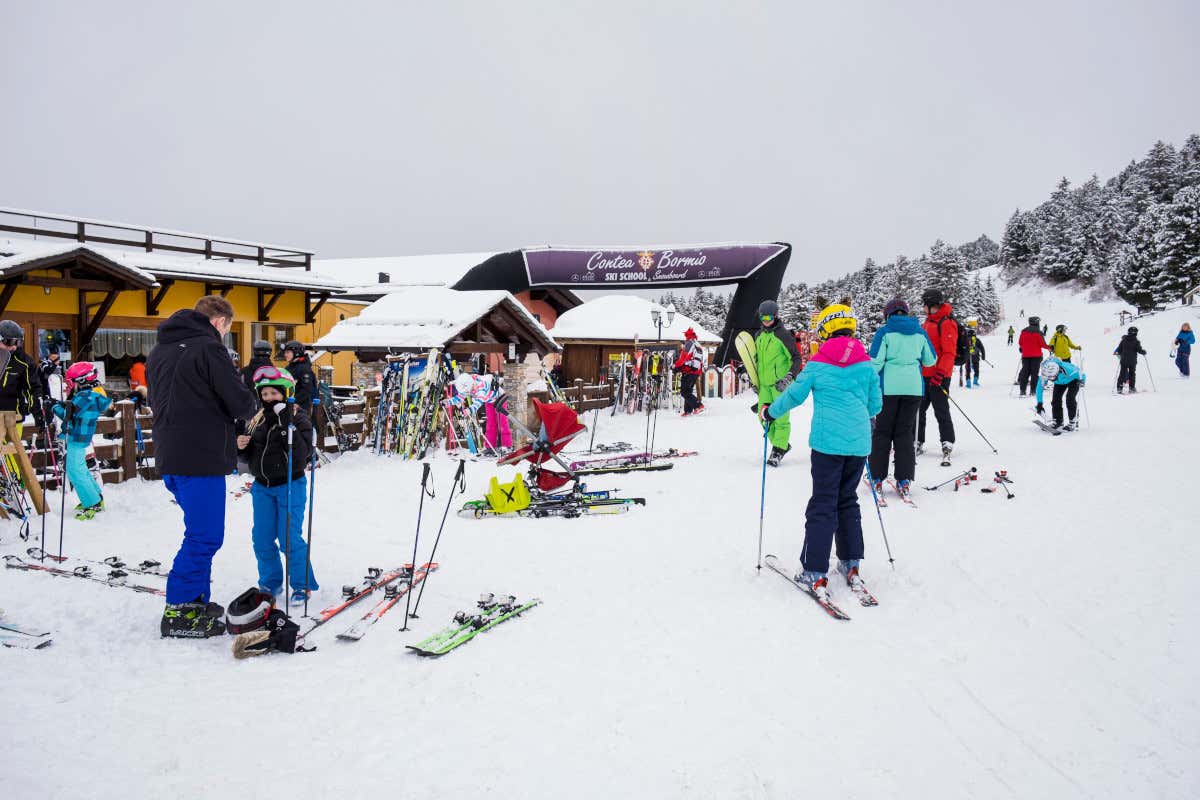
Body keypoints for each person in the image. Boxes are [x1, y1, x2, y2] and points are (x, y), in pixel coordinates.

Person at [147, 295, 255, 638]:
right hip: (199, 457)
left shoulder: (159, 351)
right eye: (226, 328)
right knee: (205, 535)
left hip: (172, 454)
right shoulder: (209, 349)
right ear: (219, 322)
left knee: (200, 532)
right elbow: (240, 402)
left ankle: (194, 600)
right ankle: (179, 608)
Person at [760, 304, 882, 600]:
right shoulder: (866, 363)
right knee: (847, 500)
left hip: (828, 445)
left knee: (823, 503)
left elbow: (793, 395)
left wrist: (770, 413)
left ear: (826, 329)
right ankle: (851, 563)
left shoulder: (818, 362)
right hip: (858, 445)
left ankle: (814, 570)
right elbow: (875, 405)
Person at [236, 366, 318, 605]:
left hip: (290, 485)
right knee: (261, 538)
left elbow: (302, 454)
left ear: (286, 392)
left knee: (289, 537)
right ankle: (270, 582)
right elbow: (247, 458)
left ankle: (302, 585)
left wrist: (285, 422)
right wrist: (241, 446)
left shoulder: (298, 417)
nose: (269, 398)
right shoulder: (257, 419)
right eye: (265, 394)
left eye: (274, 393)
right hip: (262, 487)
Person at [868, 298, 935, 498]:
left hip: (889, 387)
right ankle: (904, 478)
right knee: (905, 432)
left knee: (882, 431)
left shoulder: (884, 333)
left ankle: (877, 476)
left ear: (887, 315)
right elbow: (931, 360)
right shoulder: (920, 332)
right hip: (913, 388)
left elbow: (875, 363)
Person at [51, 363, 112, 520]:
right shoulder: (90, 395)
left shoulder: (85, 397)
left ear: (83, 380)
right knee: (79, 469)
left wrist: (53, 406)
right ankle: (95, 499)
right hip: (80, 436)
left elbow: (67, 414)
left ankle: (91, 503)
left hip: (76, 437)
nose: (70, 385)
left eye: (72, 382)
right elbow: (73, 409)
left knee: (75, 471)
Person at [753, 299, 805, 466]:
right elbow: (756, 359)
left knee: (781, 418)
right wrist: (750, 376)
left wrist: (788, 377)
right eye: (763, 317)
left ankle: (778, 450)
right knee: (763, 418)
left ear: (775, 316)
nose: (766, 321)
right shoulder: (759, 336)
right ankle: (782, 444)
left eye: (769, 317)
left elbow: (797, 358)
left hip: (780, 385)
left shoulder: (783, 335)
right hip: (764, 386)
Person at [916, 289, 957, 461]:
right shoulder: (927, 322)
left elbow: (949, 353)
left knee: (941, 410)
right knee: (918, 410)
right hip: (924, 375)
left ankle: (947, 441)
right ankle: (917, 441)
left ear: (933, 305)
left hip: (939, 377)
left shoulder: (946, 323)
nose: (923, 308)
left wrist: (940, 374)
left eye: (925, 305)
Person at [0, 319, 47, 442]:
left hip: (12, 416)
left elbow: (32, 388)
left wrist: (38, 412)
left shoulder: (24, 362)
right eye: (10, 342)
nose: (14, 346)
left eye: (18, 342)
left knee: (12, 457)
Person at [453, 371, 512, 454]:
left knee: (502, 422)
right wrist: (447, 402)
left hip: (500, 398)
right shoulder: (469, 384)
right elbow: (460, 397)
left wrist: (470, 410)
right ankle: (490, 447)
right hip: (489, 400)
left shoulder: (481, 385)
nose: (470, 392)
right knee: (490, 423)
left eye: (470, 390)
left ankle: (507, 445)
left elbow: (478, 403)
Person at [1035, 357, 1086, 431]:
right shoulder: (1045, 372)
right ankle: (1058, 422)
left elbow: (1082, 374)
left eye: (1053, 378)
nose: (1051, 380)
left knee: (1070, 398)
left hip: (1073, 379)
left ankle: (1073, 421)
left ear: (1058, 372)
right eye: (1050, 379)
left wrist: (1082, 381)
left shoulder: (1070, 370)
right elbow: (1039, 388)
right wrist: (1039, 403)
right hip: (1059, 382)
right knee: (1055, 400)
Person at [1017, 316, 1051, 397]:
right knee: (1034, 373)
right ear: (1037, 322)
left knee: (1025, 372)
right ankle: (1033, 391)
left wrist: (1023, 348)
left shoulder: (1024, 331)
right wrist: (1050, 348)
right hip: (1036, 356)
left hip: (1025, 356)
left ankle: (1022, 391)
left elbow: (1020, 342)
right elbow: (1043, 344)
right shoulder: (1039, 332)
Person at [674, 327, 704, 416]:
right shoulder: (697, 344)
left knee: (684, 392)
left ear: (688, 335)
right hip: (695, 371)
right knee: (688, 391)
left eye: (685, 335)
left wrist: (676, 366)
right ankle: (688, 411)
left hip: (689, 370)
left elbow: (684, 357)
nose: (685, 338)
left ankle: (698, 405)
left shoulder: (689, 343)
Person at [282, 340, 316, 414]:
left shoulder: (304, 368)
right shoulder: (288, 367)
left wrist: (294, 401)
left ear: (296, 353)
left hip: (300, 407)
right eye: (285, 352)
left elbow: (306, 390)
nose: (285, 355)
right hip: (288, 405)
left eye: (288, 352)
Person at [1113, 326, 1146, 393]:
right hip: (1132, 361)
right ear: (1136, 333)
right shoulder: (1136, 341)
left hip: (1124, 360)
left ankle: (1119, 388)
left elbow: (1119, 350)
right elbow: (1139, 350)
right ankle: (1131, 388)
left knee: (1122, 374)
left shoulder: (1123, 340)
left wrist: (1122, 353)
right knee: (1132, 374)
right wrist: (1143, 352)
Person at [962, 320, 985, 387]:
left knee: (968, 369)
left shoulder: (966, 339)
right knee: (976, 369)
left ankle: (968, 382)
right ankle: (975, 381)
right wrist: (983, 356)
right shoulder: (977, 340)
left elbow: (962, 347)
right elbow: (982, 348)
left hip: (967, 357)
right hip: (976, 356)